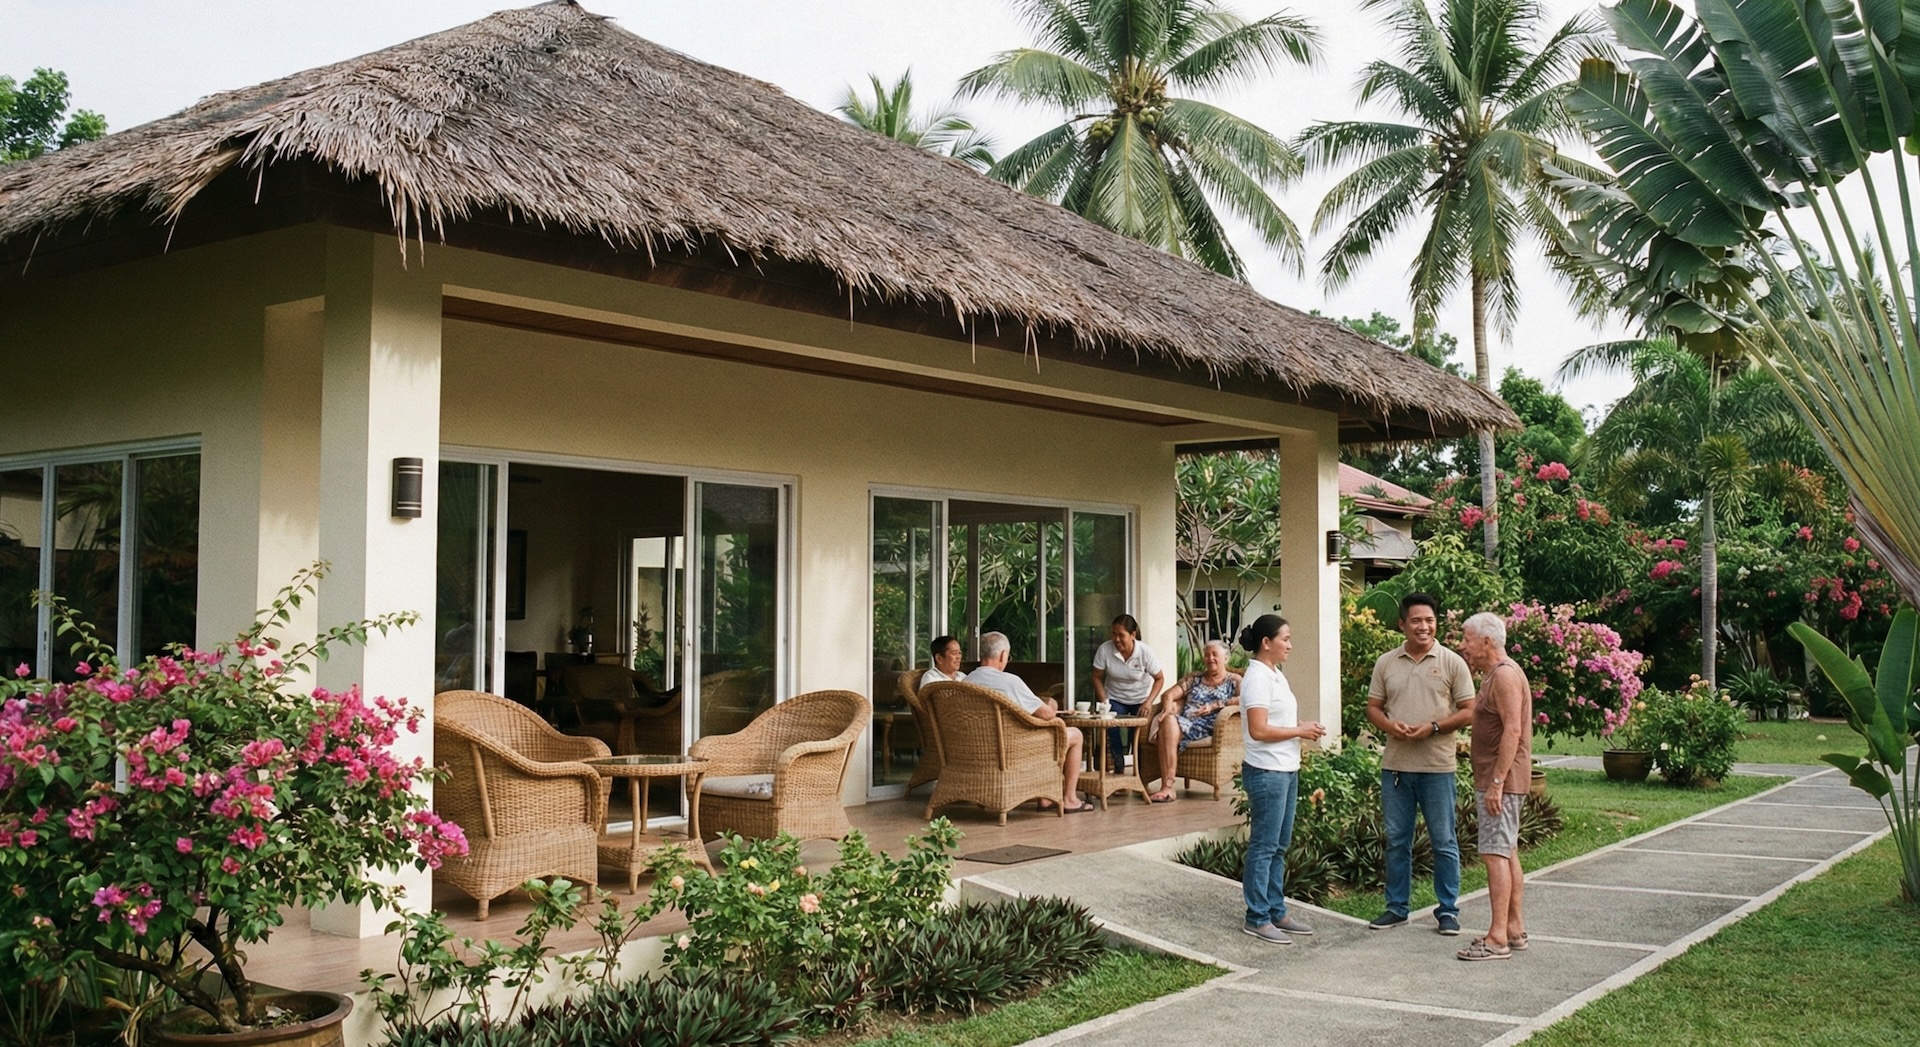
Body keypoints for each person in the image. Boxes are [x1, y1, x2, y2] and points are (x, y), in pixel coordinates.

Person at [1365, 592, 1477, 935]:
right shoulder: (1386, 663)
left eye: (1429, 620)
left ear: (1436, 623)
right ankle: (1397, 908)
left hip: (1437, 767)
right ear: (1402, 624)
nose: (1423, 626)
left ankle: (1447, 911)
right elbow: (1373, 708)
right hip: (1396, 767)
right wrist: (1390, 726)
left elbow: (1470, 711)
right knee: (1397, 840)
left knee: (1443, 841)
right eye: (1416, 620)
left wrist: (1434, 728)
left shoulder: (1452, 662)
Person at [1237, 614, 1327, 945]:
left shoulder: (1275, 675)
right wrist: (1300, 731)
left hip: (1286, 770)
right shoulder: (1257, 678)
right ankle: (1257, 917)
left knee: (1279, 846)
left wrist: (1302, 725)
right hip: (1267, 773)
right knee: (1264, 846)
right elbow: (1258, 730)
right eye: (1285, 639)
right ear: (1267, 643)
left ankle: (1276, 910)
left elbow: (1277, 720)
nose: (1289, 645)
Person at [1456, 611, 1533, 961]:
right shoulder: (1495, 675)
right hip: (1498, 779)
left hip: (1501, 780)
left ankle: (1497, 937)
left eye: (1467, 639)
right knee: (1506, 850)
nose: (1462, 646)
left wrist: (1497, 783)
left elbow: (1513, 731)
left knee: (1494, 855)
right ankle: (1513, 929)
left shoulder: (1503, 676)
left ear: (1487, 641)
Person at [965, 631, 1096, 813]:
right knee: (1074, 735)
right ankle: (1069, 799)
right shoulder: (1010, 682)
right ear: (1003, 655)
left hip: (975, 748)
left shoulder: (966, 681)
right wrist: (1051, 703)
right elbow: (1047, 715)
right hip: (1013, 749)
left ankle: (1044, 797)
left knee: (1045, 734)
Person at [1146, 639, 1240, 803]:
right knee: (1167, 720)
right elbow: (1168, 694)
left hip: (1212, 725)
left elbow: (1245, 699)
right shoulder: (1195, 678)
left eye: (1214, 654)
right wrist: (1168, 707)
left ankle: (1167, 786)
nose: (1210, 658)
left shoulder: (1234, 680)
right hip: (1186, 723)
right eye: (1207, 655)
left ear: (1226, 658)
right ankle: (1167, 787)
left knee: (1168, 724)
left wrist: (1215, 705)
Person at [1090, 614, 1166, 770]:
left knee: (1137, 735)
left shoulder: (1145, 652)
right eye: (1113, 634)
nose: (1116, 639)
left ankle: (1139, 773)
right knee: (1111, 726)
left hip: (1140, 699)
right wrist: (1104, 701)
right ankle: (1119, 765)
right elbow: (1096, 677)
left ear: (1133, 635)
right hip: (1115, 697)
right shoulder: (1105, 650)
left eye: (1121, 635)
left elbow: (1159, 679)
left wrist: (1149, 702)